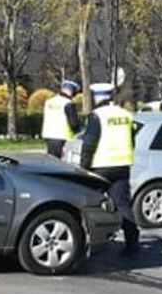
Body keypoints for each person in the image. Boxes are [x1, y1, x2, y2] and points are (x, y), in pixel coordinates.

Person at [80, 83, 139, 257]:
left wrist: (83, 168)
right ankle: (132, 244)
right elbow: (132, 140)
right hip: (121, 166)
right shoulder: (126, 115)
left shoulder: (97, 116)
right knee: (122, 205)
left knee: (91, 204)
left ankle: (92, 242)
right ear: (111, 96)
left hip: (100, 167)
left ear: (97, 98)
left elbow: (89, 143)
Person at [41, 79, 82, 159]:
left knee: (52, 161)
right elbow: (74, 124)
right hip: (63, 137)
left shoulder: (49, 102)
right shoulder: (68, 103)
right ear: (72, 91)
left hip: (48, 135)